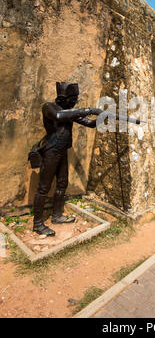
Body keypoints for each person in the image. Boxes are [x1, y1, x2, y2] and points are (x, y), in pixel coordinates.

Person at [31, 82, 101, 237]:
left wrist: (101, 118)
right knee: (43, 187)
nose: (75, 102)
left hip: (62, 151)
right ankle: (37, 223)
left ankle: (57, 216)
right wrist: (87, 110)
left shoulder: (69, 111)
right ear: (63, 98)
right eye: (72, 99)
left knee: (62, 183)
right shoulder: (49, 107)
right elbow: (58, 116)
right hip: (51, 151)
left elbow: (89, 123)